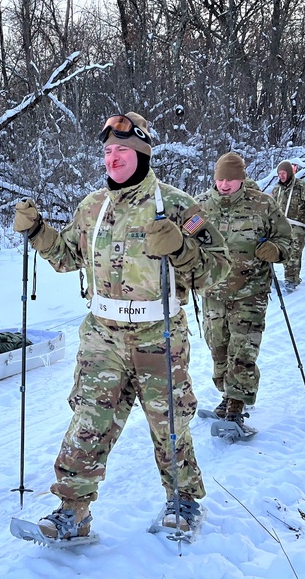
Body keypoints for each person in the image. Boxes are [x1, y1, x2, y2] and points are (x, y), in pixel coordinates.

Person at [12, 112, 230, 540]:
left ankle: (182, 500)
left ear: (142, 154)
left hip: (158, 335)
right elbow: (67, 257)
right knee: (89, 419)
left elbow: (216, 270)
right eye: (108, 152)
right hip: (102, 336)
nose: (112, 159)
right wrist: (38, 233)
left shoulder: (176, 205)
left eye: (122, 151)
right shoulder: (92, 207)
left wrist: (183, 249)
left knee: (169, 422)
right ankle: (72, 511)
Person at [196, 153, 293, 423]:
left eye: (231, 179)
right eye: (220, 179)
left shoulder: (263, 205)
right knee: (218, 348)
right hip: (213, 292)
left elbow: (287, 240)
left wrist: (275, 249)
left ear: (242, 179)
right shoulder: (201, 206)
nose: (225, 184)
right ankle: (226, 395)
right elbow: (188, 241)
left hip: (251, 292)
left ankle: (237, 403)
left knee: (243, 350)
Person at [271, 160, 305, 292]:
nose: (281, 176)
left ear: (290, 173)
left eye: (284, 173)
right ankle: (269, 278)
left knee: (294, 252)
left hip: (297, 226)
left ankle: (292, 279)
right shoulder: (277, 189)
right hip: (280, 226)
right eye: (279, 173)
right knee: (275, 251)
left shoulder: (302, 186)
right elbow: (271, 206)